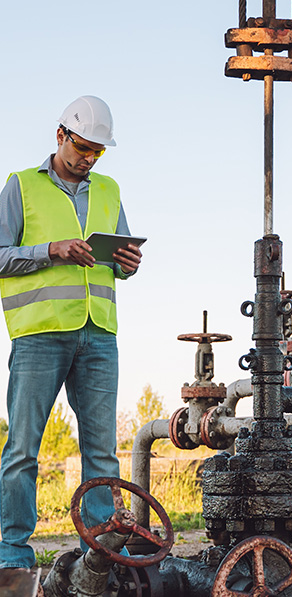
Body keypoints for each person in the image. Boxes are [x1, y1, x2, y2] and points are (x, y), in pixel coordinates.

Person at [0, 96, 142, 570]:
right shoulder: (21, 186)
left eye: (98, 151)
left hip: (99, 335)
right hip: (40, 335)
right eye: (83, 147)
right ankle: (14, 555)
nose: (89, 158)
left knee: (102, 454)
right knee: (22, 450)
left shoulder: (108, 189)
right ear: (60, 136)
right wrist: (50, 250)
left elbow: (117, 260)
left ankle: (100, 556)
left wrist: (128, 264)